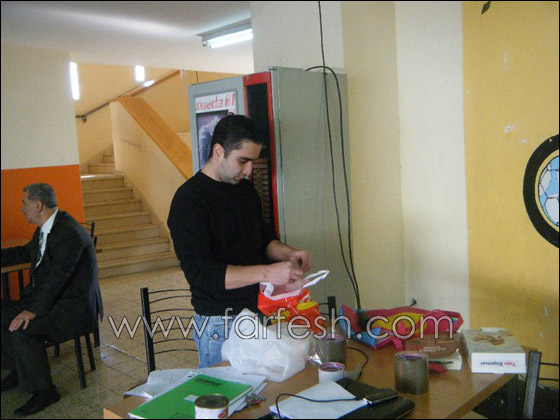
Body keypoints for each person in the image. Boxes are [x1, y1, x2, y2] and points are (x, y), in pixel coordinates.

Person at [168, 114, 311, 368]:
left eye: (252, 162)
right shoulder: (189, 200)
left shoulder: (245, 190)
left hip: (258, 312)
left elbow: (263, 240)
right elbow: (202, 274)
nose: (248, 171)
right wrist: (268, 273)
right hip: (219, 322)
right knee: (224, 391)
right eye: (243, 161)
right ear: (219, 151)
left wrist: (287, 254)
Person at [1, 183, 103, 416]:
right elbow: (25, 252)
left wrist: (32, 310)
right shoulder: (47, 227)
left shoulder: (68, 233)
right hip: (52, 300)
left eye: (24, 202)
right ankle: (20, 370)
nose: (22, 207)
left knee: (24, 328)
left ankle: (45, 391)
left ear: (38, 205)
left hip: (71, 308)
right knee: (3, 316)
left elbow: (57, 278)